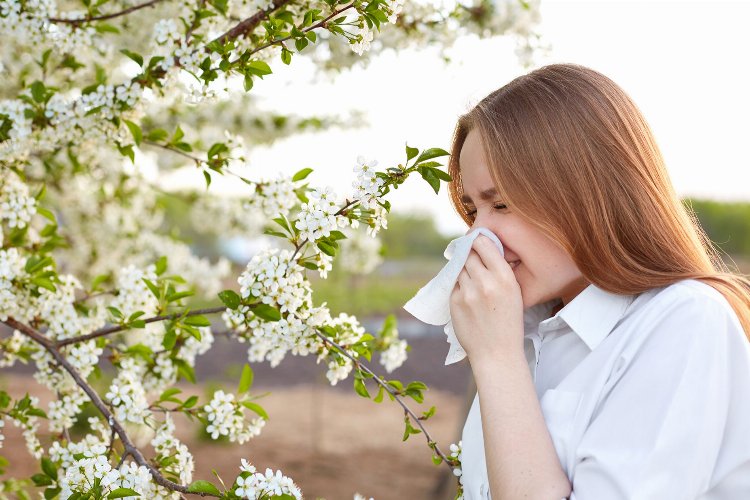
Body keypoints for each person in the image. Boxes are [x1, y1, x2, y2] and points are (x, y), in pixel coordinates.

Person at [446, 63, 750, 500]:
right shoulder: (529, 332)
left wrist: (496, 361)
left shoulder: (683, 320)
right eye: (473, 210)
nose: (479, 236)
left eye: (503, 204)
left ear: (585, 192)